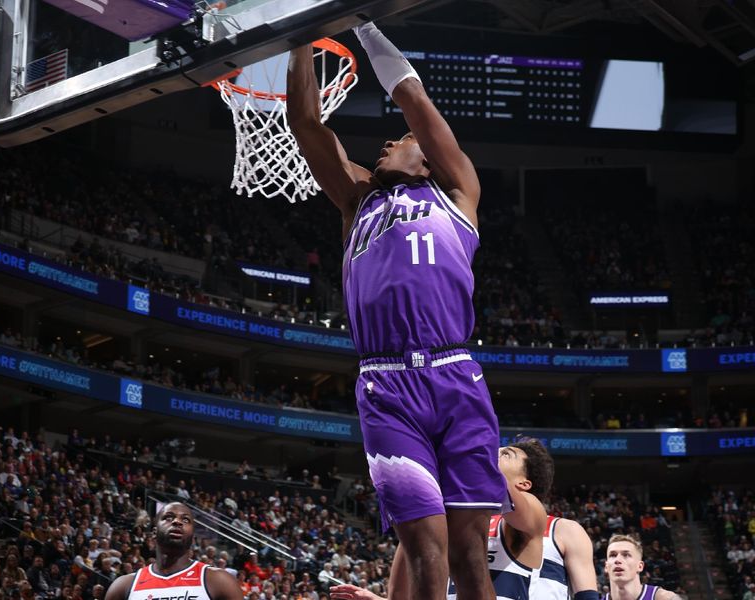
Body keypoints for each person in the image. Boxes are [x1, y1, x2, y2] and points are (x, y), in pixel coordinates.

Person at [287, 22, 502, 600]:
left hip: (456, 374)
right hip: (386, 386)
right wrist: (300, 34)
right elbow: (306, 124)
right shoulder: (357, 201)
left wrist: (362, 23)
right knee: (426, 554)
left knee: (469, 556)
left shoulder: (456, 191)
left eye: (397, 140)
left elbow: (413, 98)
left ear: (427, 159)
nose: (385, 145)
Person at [332, 440, 598, 600]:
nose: (493, 452)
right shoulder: (447, 519)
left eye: (506, 454)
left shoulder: (546, 523)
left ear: (525, 483)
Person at [104, 502, 242, 600]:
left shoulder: (220, 581)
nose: (177, 521)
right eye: (168, 517)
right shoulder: (123, 586)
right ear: (154, 532)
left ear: (193, 537)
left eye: (185, 519)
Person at [603, 534, 678, 600]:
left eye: (626, 555)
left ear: (640, 566)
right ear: (606, 566)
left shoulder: (664, 597)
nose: (617, 560)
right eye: (613, 555)